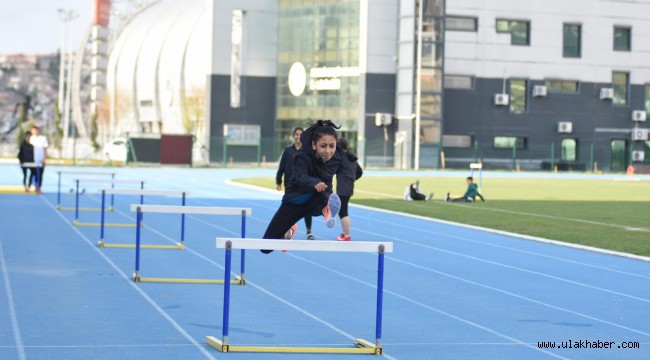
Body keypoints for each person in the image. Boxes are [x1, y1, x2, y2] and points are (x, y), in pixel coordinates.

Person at [261, 119, 344, 253]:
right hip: (295, 200)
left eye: (332, 146)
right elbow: (300, 177)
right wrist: (315, 183)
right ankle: (288, 231)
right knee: (266, 248)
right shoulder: (301, 156)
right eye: (323, 146)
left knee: (325, 197)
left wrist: (328, 196)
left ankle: (327, 212)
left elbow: (328, 184)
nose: (328, 151)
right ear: (314, 145)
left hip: (315, 201)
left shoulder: (335, 159)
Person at [276, 127, 314, 240]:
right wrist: (278, 181)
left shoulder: (308, 151)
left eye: (300, 134)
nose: (298, 136)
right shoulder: (287, 151)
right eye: (296, 134)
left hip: (304, 185)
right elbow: (282, 167)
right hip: (290, 185)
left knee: (307, 208)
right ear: (294, 136)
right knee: (288, 209)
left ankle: (309, 231)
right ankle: (288, 231)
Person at [335, 137, 363, 241]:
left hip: (343, 187)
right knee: (342, 209)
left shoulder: (341, 157)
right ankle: (345, 232)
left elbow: (334, 169)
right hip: (349, 186)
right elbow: (359, 172)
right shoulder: (352, 157)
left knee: (343, 211)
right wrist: (351, 179)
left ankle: (347, 235)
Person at [29, 125, 48, 193]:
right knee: (33, 173)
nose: (34, 131)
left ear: (38, 130)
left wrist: (45, 158)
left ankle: (39, 187)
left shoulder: (43, 138)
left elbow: (45, 148)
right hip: (33, 160)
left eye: (35, 130)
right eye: (33, 130)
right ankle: (32, 185)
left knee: (40, 174)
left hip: (41, 160)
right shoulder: (30, 138)